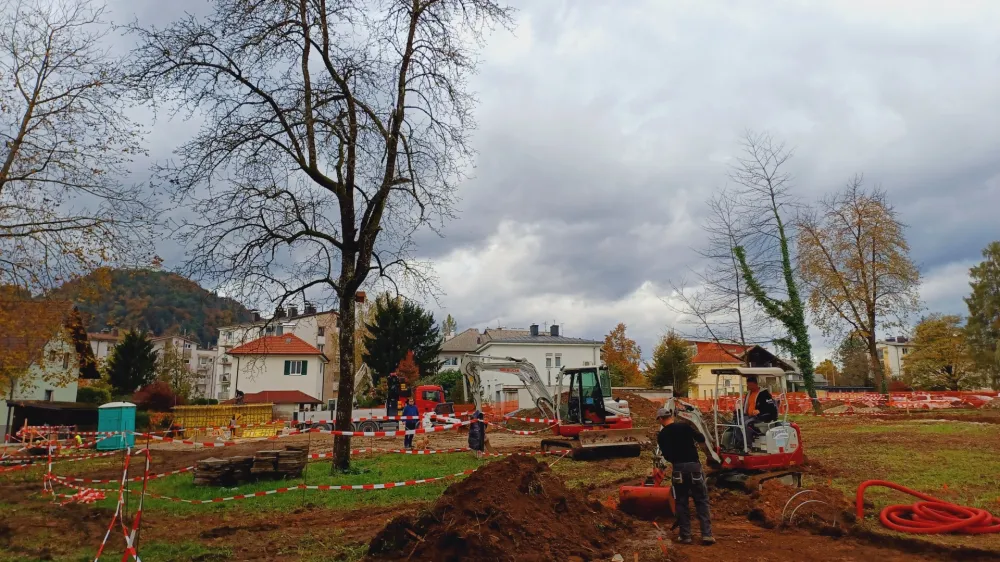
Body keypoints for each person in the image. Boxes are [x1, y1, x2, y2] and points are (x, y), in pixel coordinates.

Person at [657, 406, 714, 546]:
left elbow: (667, 455)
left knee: (681, 503)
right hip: (694, 467)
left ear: (660, 419)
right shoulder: (685, 426)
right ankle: (706, 535)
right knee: (701, 501)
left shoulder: (662, 435)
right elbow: (701, 437)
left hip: (678, 470)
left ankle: (685, 536)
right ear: (671, 416)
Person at [738, 375, 778, 449]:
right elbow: (747, 406)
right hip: (750, 416)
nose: (748, 386)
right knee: (738, 421)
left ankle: (748, 446)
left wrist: (759, 411)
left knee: (747, 424)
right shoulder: (749, 394)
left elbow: (770, 407)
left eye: (750, 385)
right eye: (748, 385)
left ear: (755, 384)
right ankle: (740, 443)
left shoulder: (764, 394)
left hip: (762, 417)